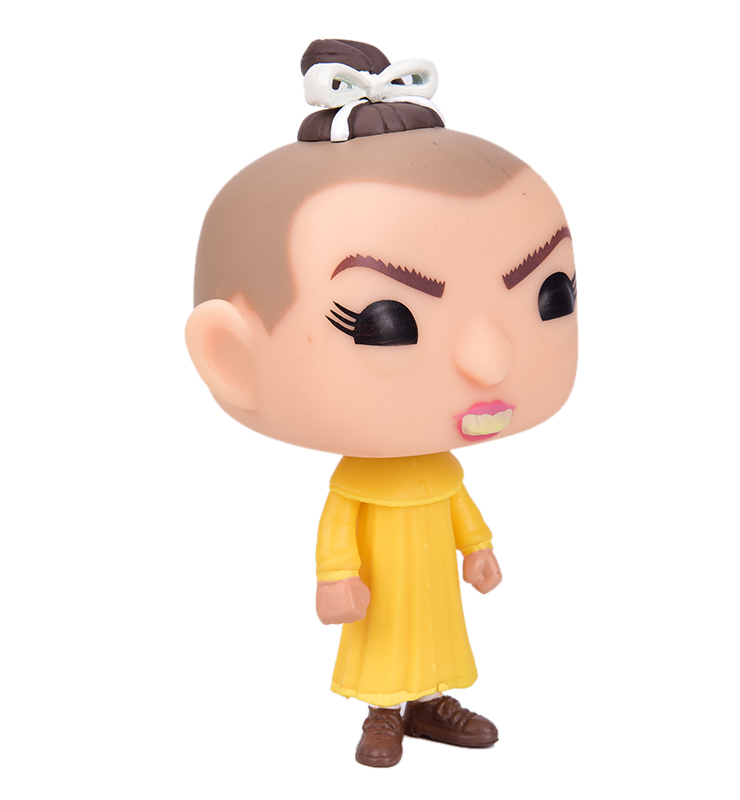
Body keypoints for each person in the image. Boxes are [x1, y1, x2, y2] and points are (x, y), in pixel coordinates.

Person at [186, 39, 578, 767]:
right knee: (385, 641)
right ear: (231, 358)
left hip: (435, 585)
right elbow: (339, 527)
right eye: (385, 321)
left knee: (436, 636)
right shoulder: (357, 484)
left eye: (551, 294)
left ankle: (431, 702)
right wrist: (336, 577)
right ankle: (383, 713)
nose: (488, 362)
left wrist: (480, 548)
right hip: (383, 588)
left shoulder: (443, 471)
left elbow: (458, 505)